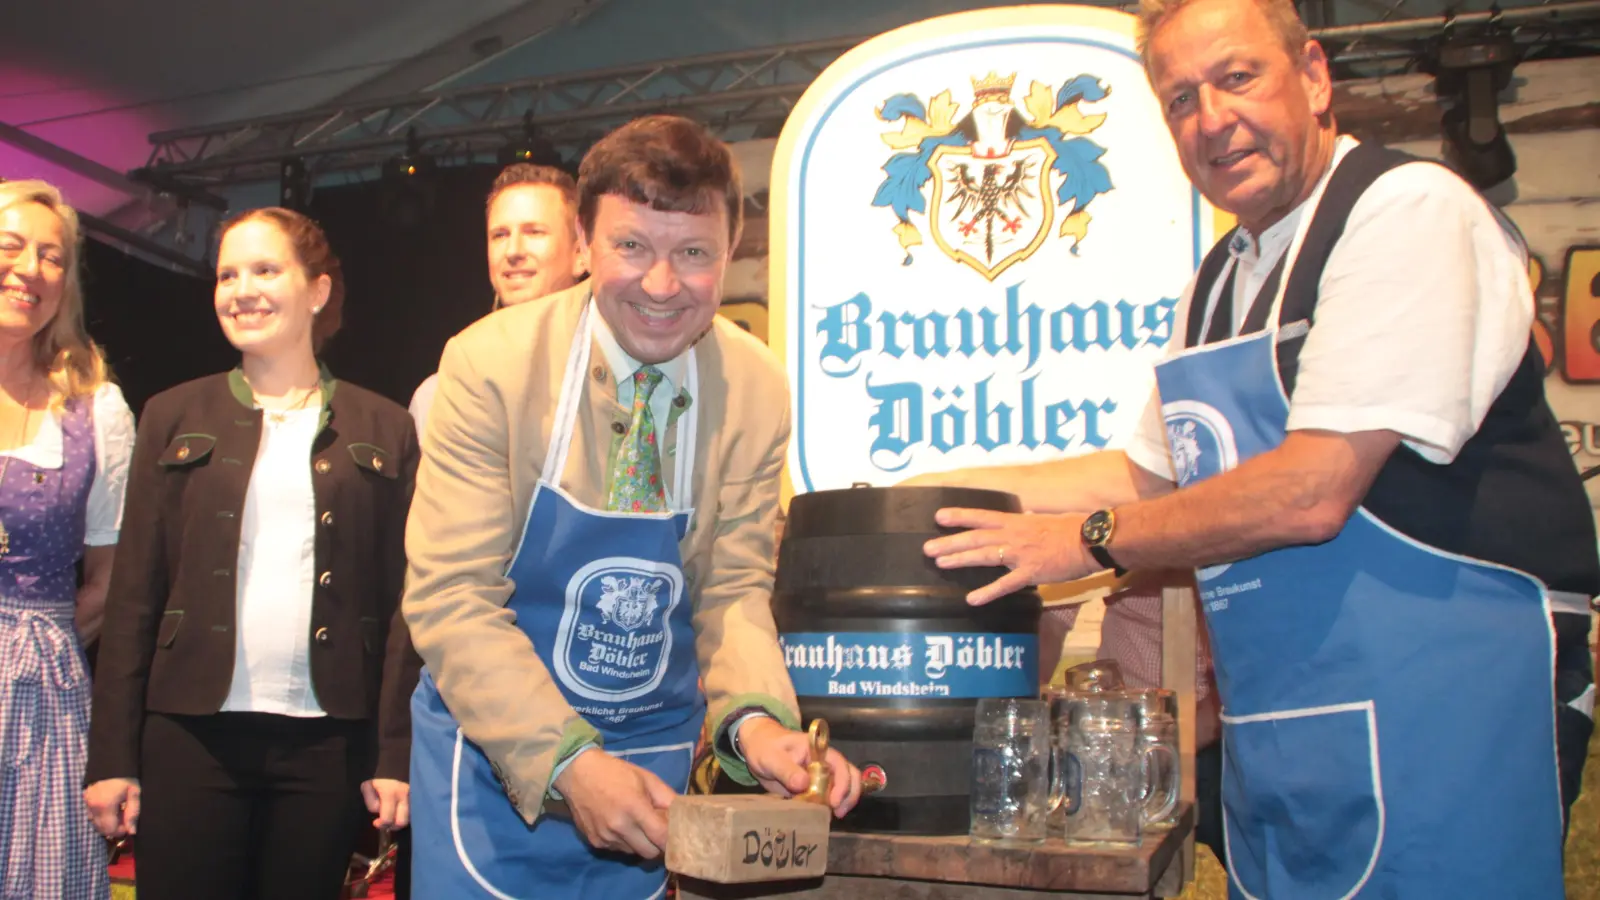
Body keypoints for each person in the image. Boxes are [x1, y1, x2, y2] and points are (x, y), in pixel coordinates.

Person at [917, 0, 1598, 894]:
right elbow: (1147, 473)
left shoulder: (1405, 212)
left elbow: (1316, 486)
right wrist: (934, 488)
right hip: (1285, 727)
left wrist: (1083, 539)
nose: (1212, 119)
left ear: (1315, 75)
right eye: (1181, 100)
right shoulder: (1220, 280)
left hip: (1442, 714)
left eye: (1238, 77)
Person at [404, 114, 863, 898]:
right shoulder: (489, 368)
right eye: (632, 247)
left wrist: (760, 727)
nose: (661, 285)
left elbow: (731, 589)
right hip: (496, 766)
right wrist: (570, 762)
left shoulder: (756, 389)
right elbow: (453, 599)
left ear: (730, 254)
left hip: (655, 769)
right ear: (583, 244)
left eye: (693, 254)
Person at [83, 208, 421, 900]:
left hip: (327, 744)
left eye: (265, 270)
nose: (241, 290)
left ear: (318, 290)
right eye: (227, 275)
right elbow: (133, 599)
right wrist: (111, 757)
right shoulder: (172, 415)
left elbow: (402, 608)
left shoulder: (383, 424)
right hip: (189, 736)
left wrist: (395, 753)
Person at [0, 180, 135, 900]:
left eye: (53, 257)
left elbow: (113, 581)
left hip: (44, 696)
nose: (31, 270)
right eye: (11, 246)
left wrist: (31, 638)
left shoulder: (96, 407)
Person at [407, 163, 587, 425]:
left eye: (534, 232)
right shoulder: (442, 394)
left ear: (581, 252)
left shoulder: (619, 373)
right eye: (500, 235)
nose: (513, 251)